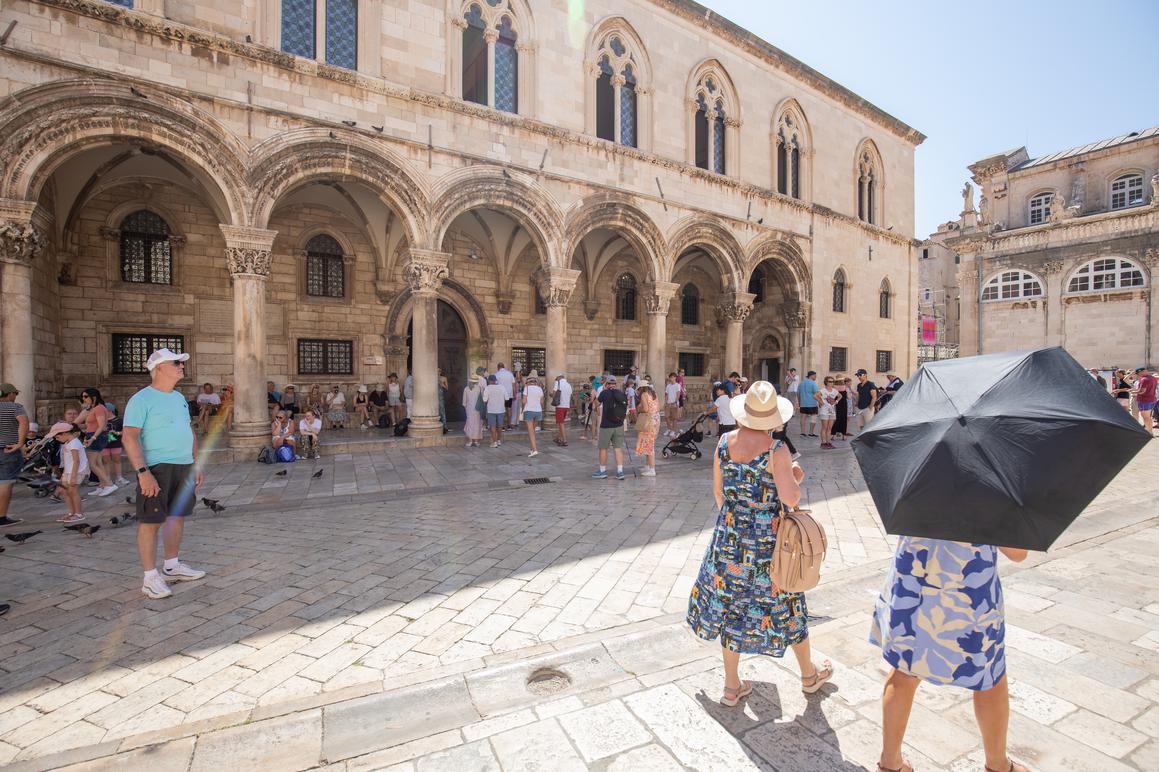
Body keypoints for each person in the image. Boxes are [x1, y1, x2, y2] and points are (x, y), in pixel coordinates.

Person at [687, 381, 832, 707]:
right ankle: (809, 676)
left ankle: (731, 686)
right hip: (768, 546)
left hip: (730, 539)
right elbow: (791, 499)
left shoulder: (723, 443)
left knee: (732, 607)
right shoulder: (775, 450)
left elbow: (718, 493)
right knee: (788, 605)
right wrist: (795, 475)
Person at [871, 537, 1030, 772]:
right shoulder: (989, 499)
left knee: (904, 672)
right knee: (990, 679)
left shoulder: (914, 497)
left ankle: (889, 764)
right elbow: (1018, 552)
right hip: (968, 592)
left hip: (914, 582)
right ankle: (997, 765)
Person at [122, 348, 206, 600]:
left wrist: (195, 463)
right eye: (176, 363)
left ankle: (172, 566)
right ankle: (150, 577)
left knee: (177, 516)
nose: (182, 366)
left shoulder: (179, 398)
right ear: (158, 368)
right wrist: (143, 473)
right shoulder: (141, 399)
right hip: (156, 467)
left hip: (183, 466)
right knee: (151, 521)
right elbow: (130, 436)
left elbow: (188, 430)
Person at [78, 388, 118, 496]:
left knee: (92, 464)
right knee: (98, 463)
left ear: (94, 397)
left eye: (86, 396)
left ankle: (109, 484)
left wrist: (93, 438)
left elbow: (101, 426)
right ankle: (103, 485)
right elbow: (90, 424)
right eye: (82, 397)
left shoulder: (99, 408)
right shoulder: (94, 409)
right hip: (93, 435)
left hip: (96, 436)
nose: (84, 399)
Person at [46, 422, 87, 524]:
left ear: (64, 433)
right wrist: (64, 474)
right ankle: (71, 512)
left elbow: (76, 461)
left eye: (57, 436)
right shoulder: (67, 443)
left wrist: (73, 476)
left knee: (73, 491)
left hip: (76, 471)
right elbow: (67, 461)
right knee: (65, 491)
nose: (56, 439)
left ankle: (78, 513)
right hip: (69, 471)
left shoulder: (74, 443)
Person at [0, 383, 28, 528]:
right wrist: (20, 443)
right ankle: (1, 517)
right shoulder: (15, 407)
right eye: (15, 394)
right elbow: (23, 422)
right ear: (10, 394)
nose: (16, 396)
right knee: (5, 482)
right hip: (8, 450)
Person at [592, 373, 628, 480]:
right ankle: (620, 471)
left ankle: (602, 471)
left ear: (607, 384)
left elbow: (596, 404)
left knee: (603, 448)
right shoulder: (621, 393)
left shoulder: (604, 393)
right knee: (618, 448)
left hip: (606, 425)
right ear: (615, 384)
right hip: (619, 425)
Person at [635, 383, 660, 477]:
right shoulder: (654, 393)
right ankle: (648, 466)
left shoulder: (644, 394)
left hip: (648, 420)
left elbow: (645, 409)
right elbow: (657, 407)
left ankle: (652, 469)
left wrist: (639, 408)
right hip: (655, 419)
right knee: (648, 443)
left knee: (649, 444)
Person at [523, 371, 544, 457]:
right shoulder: (539, 389)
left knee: (531, 432)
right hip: (538, 411)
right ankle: (532, 448)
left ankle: (535, 450)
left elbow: (524, 401)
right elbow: (542, 402)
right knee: (533, 431)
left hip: (529, 411)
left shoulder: (526, 389)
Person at [483, 374, 507, 448]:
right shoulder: (502, 387)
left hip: (491, 410)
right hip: (501, 409)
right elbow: (506, 398)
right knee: (500, 426)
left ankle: (494, 442)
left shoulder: (487, 388)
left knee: (492, 426)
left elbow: (484, 400)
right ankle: (499, 440)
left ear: (489, 381)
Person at [1132, 366, 1157, 435]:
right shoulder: (1153, 378)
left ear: (1141, 372)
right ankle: (1150, 431)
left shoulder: (1144, 379)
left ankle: (1149, 432)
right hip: (1151, 399)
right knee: (1148, 417)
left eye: (1138, 373)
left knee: (1146, 417)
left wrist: (1134, 392)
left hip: (1144, 400)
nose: (1138, 375)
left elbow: (1142, 391)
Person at [462, 374, 484, 448]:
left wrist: (465, 408)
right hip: (478, 409)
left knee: (470, 423)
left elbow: (464, 402)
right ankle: (476, 441)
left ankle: (470, 441)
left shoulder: (466, 389)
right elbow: (482, 400)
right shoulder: (480, 388)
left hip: (469, 409)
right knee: (477, 423)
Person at [818, 376, 839, 449]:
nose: (831, 383)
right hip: (824, 411)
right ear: (826, 382)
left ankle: (828, 442)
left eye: (833, 381)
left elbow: (840, 396)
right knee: (824, 427)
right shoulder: (823, 390)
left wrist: (836, 401)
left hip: (832, 411)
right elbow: (815, 396)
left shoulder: (834, 390)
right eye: (830, 381)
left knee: (830, 428)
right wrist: (820, 402)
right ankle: (823, 443)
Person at [495, 363, 517, 430]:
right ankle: (509, 424)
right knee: (509, 409)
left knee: (501, 410)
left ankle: (502, 425)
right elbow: (513, 385)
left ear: (498, 367)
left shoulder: (496, 374)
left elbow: (495, 385)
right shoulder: (510, 374)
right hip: (509, 394)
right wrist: (514, 394)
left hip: (500, 395)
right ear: (504, 367)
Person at [797, 371, 820, 437]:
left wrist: (799, 403)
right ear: (811, 376)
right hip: (812, 403)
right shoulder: (813, 383)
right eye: (815, 376)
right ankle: (811, 432)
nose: (815, 377)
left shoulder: (801, 383)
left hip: (803, 403)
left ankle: (803, 432)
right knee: (814, 417)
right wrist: (820, 402)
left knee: (803, 417)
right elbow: (817, 393)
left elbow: (798, 394)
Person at [552, 374, 572, 447]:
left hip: (560, 406)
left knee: (561, 423)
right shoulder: (568, 385)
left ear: (558, 378)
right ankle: (558, 437)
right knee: (561, 422)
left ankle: (564, 440)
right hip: (566, 406)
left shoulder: (558, 383)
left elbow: (554, 394)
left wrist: (551, 395)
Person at [664, 372, 681, 438]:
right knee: (666, 417)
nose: (670, 379)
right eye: (670, 377)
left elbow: (678, 394)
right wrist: (666, 402)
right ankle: (669, 429)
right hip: (668, 403)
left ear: (675, 378)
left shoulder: (677, 385)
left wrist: (675, 402)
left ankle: (673, 431)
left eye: (672, 377)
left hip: (674, 404)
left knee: (674, 418)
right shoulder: (668, 386)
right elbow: (666, 394)